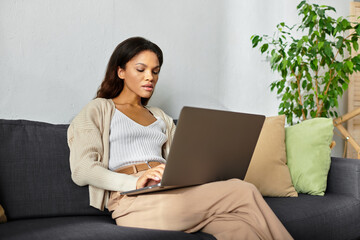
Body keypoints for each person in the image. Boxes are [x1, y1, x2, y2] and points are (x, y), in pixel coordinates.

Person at [67, 36, 293, 240]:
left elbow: (181, 162)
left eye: (155, 71)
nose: (150, 77)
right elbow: (82, 170)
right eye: (141, 69)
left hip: (171, 191)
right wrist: (134, 181)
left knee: (240, 228)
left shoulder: (160, 117)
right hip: (132, 202)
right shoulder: (99, 109)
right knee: (243, 190)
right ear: (121, 71)